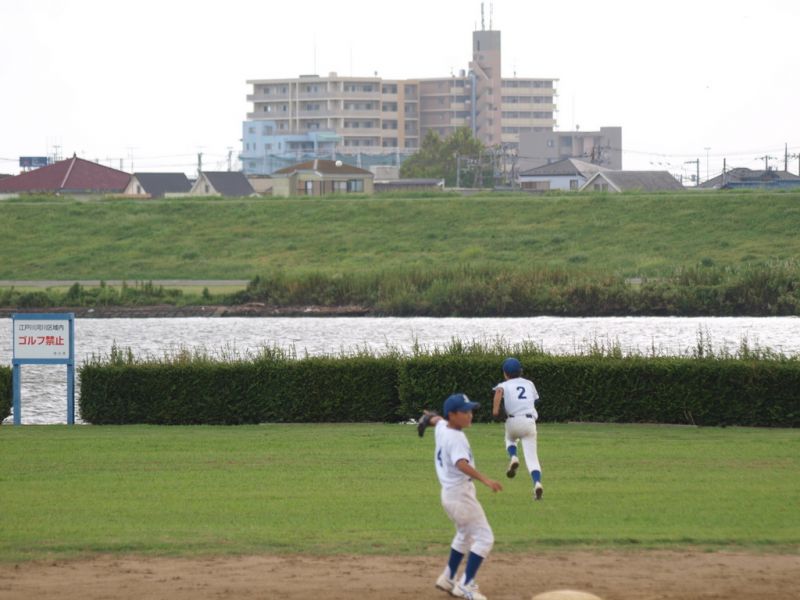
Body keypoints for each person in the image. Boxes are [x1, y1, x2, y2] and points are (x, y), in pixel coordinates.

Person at [417, 393, 502, 600]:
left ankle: (448, 578)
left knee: (464, 535)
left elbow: (436, 420)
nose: (470, 415)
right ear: (453, 415)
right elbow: (461, 464)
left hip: (449, 494)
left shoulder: (442, 428)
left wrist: (428, 418)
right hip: (460, 495)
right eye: (465, 412)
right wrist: (486, 480)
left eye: (470, 410)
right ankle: (465, 585)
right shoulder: (457, 438)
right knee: (485, 538)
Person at [492, 357, 543, 501]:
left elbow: (498, 392)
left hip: (512, 421)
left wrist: (495, 410)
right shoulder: (529, 383)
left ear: (505, 373)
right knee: (532, 459)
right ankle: (537, 484)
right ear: (520, 371)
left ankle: (513, 456)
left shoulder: (504, 385)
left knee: (509, 438)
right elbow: (536, 400)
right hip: (529, 421)